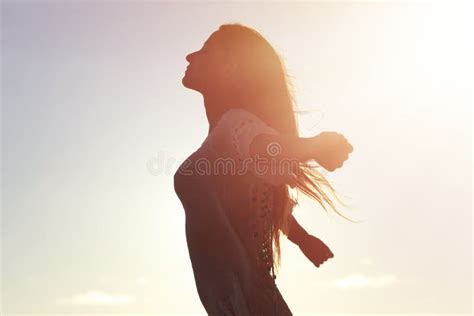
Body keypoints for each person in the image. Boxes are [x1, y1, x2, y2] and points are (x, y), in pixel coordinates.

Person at [173, 23, 354, 315]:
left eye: (205, 51)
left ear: (230, 68)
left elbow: (268, 147)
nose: (190, 56)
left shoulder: (236, 123)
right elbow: (253, 196)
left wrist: (315, 146)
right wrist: (302, 239)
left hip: (248, 304)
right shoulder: (222, 135)